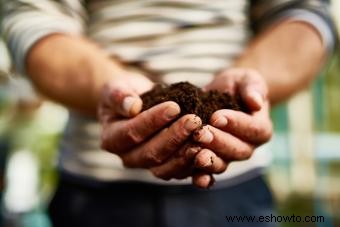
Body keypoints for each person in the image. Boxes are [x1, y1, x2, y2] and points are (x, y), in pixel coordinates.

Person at [1, 0, 336, 226]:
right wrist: (115, 90)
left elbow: (305, 14)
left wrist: (251, 90)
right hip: (96, 194)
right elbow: (33, 17)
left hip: (236, 192)